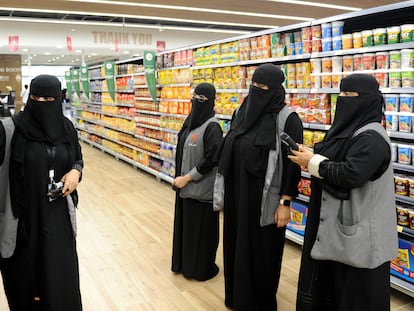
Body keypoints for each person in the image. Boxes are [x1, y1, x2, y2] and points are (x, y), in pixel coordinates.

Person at [289, 74, 398, 311]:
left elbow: (352, 174)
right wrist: (311, 155)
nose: (342, 100)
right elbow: (336, 157)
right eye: (341, 94)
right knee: (335, 290)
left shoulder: (372, 137)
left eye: (349, 96)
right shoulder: (350, 131)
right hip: (337, 233)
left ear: (368, 100)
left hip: (360, 236)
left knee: (358, 295)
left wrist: (313, 162)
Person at [215, 63, 303, 310]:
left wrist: (285, 202)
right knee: (235, 245)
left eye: (262, 87)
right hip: (237, 196)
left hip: (266, 199)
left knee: (262, 253)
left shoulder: (288, 119)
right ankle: (236, 298)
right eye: (253, 85)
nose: (256, 91)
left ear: (276, 89)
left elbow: (293, 165)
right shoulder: (240, 112)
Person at [0, 74, 83, 311]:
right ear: (29, 98)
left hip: (59, 221)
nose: (44, 103)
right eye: (37, 98)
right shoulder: (11, 130)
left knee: (60, 282)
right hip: (24, 222)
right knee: (27, 285)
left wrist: (76, 172)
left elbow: (77, 158)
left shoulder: (66, 127)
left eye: (50, 98)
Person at [171, 83, 223, 281]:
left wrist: (187, 178)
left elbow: (211, 159)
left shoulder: (213, 127)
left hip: (202, 191)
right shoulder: (190, 121)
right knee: (187, 229)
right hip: (184, 189)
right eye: (195, 97)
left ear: (211, 101)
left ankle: (201, 268)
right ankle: (184, 264)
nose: (197, 102)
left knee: (202, 233)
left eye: (202, 99)